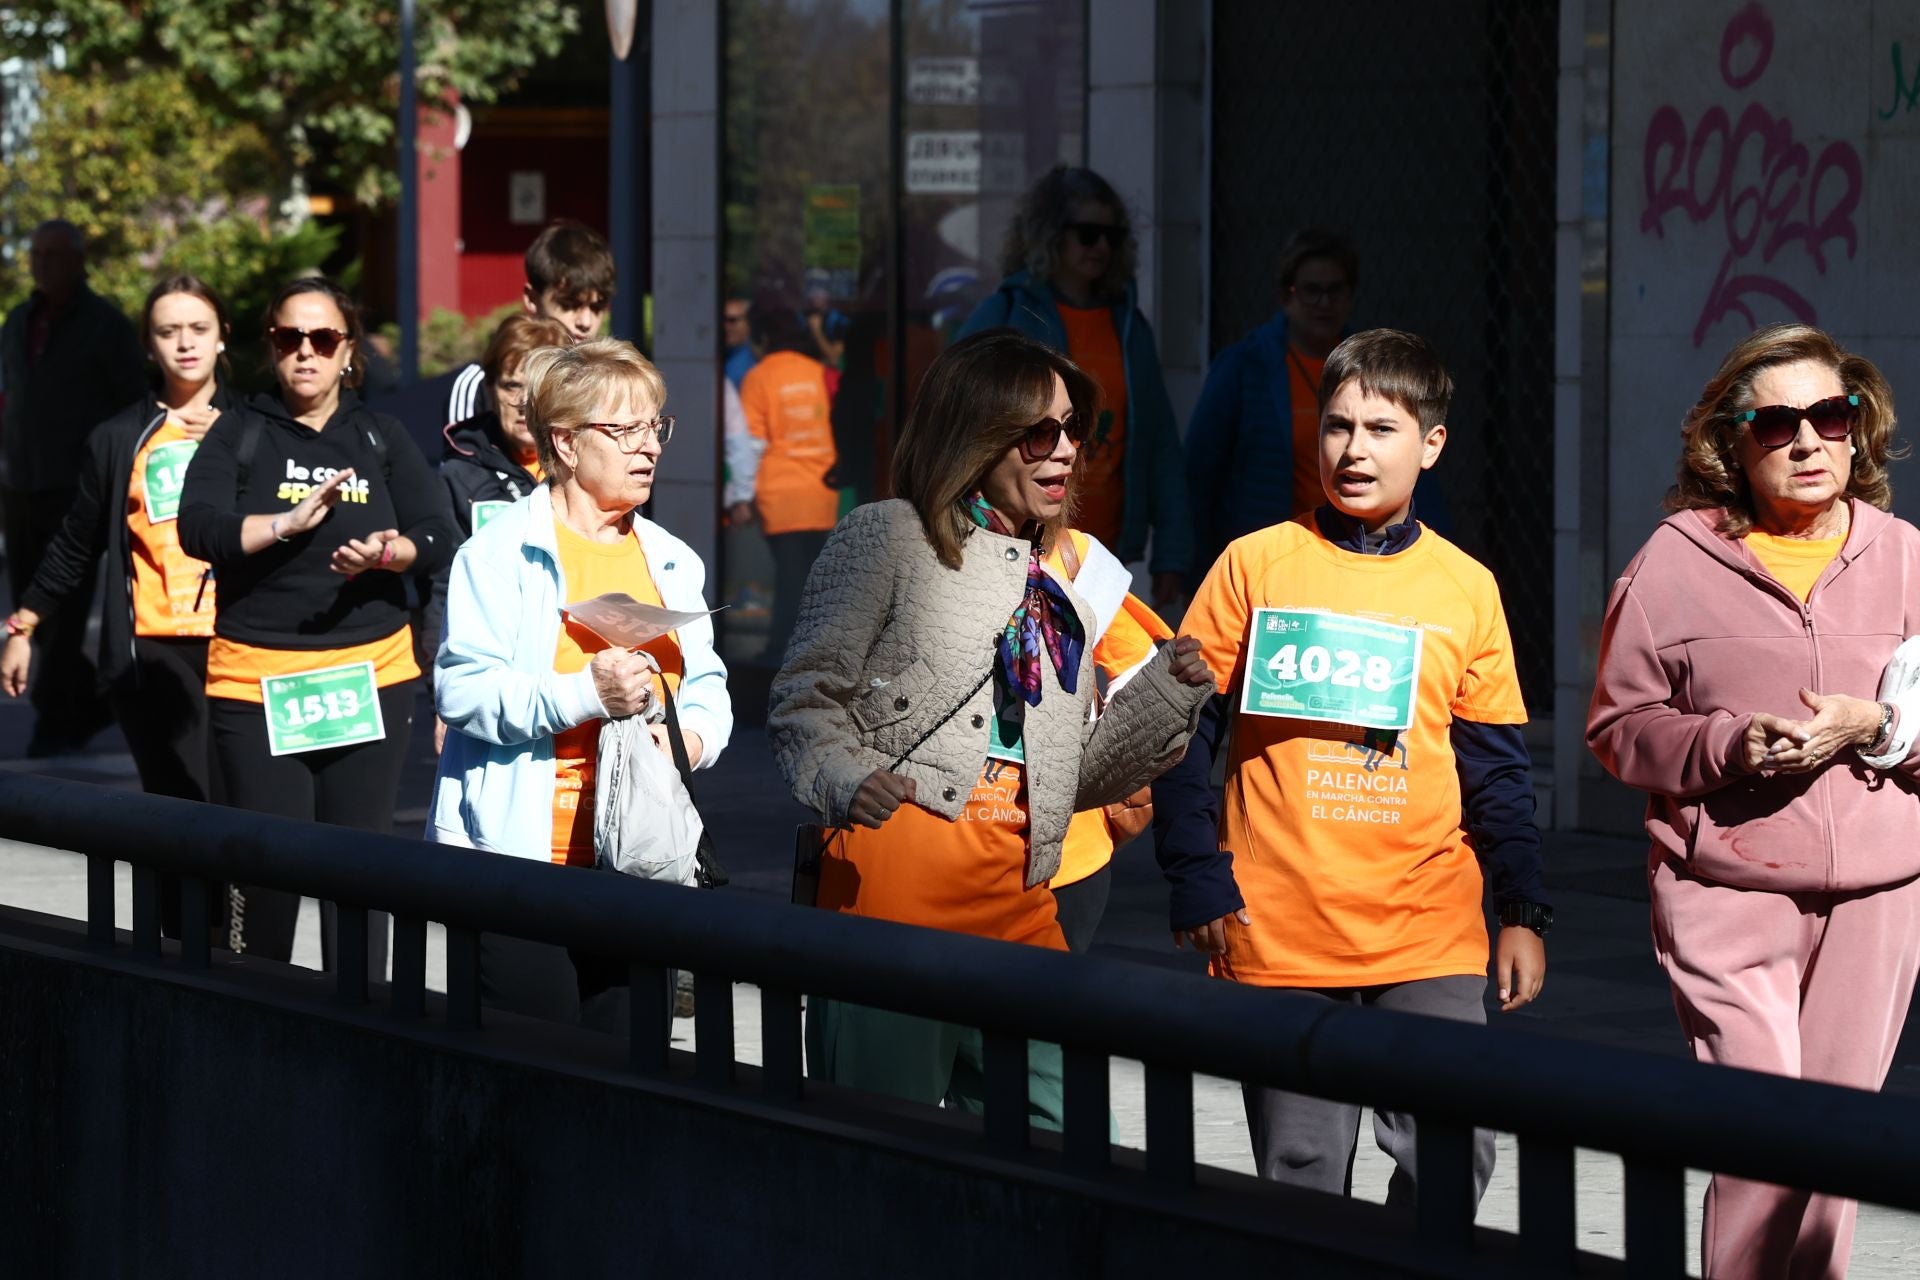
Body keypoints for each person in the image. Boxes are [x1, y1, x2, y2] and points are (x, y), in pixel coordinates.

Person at [769, 327, 1213, 1127]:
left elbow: (1070, 775)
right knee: (881, 1178)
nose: (1067, 450)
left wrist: (1163, 703)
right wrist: (845, 777)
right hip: (888, 916)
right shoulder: (887, 536)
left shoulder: (1062, 581)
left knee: (1067, 1149)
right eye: (1041, 432)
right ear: (975, 434)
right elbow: (803, 698)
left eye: (1076, 429)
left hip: (1018, 911)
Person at [1153, 329, 1548, 1208]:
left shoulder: (1467, 587)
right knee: (1300, 1177)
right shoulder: (1253, 565)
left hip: (1428, 930)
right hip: (1280, 929)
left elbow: (1497, 770)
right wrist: (1194, 874)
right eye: (1336, 427)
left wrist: (1520, 908)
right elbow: (1181, 733)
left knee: (1453, 1154)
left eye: (1381, 428)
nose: (1354, 449)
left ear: (1432, 444)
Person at [1587, 324, 1920, 1280]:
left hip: (1878, 894)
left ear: (1858, 430)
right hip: (1726, 888)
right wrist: (1728, 743)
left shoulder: (1905, 558)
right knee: (1762, 1138)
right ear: (1730, 443)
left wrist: (1879, 725)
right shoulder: (1670, 565)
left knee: (1837, 1148)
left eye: (1829, 415)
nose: (1808, 439)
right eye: (1776, 423)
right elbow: (1620, 727)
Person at [430, 338, 732, 1031]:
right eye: (624, 430)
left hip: (640, 861)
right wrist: (584, 693)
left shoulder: (672, 560)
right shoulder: (500, 552)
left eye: (656, 426)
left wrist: (689, 735)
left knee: (627, 1072)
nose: (648, 446)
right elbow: (462, 690)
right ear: (564, 443)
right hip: (518, 864)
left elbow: (708, 681)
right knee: (528, 1079)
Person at [178, 277, 456, 969]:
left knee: (360, 876)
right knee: (266, 878)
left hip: (369, 676)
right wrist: (284, 524)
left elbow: (440, 534)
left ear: (348, 351)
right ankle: (256, 1035)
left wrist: (390, 553)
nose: (306, 352)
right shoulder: (238, 431)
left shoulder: (380, 434)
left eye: (322, 339)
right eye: (288, 338)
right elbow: (197, 529)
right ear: (271, 347)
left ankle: (361, 1040)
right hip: (256, 684)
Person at [2, 275, 233, 941]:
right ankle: (178, 950)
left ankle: (234, 950)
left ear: (222, 339)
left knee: (235, 806)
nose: (184, 343)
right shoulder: (120, 437)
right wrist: (25, 625)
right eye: (168, 331)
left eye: (197, 328)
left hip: (242, 646)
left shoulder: (254, 428)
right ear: (147, 345)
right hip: (151, 652)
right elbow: (75, 541)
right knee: (177, 801)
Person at [957, 165, 1192, 609]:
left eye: (1113, 236)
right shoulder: (1005, 313)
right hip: (1015, 540)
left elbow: (1161, 441)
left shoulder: (1129, 326)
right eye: (1088, 233)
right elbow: (955, 422)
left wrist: (1173, 553)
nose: (1102, 246)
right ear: (1051, 235)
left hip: (1104, 550)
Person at [0, 219, 146, 755]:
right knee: (30, 606)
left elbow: (132, 401)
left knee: (61, 611)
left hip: (75, 490)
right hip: (20, 485)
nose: (45, 264)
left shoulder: (104, 324)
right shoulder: (18, 320)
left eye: (57, 255)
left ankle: (57, 721)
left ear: (79, 261)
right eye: (37, 254)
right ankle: (88, 702)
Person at [734, 302, 838, 666]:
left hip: (778, 497)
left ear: (763, 339)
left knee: (790, 582)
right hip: (823, 495)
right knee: (815, 582)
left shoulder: (759, 377)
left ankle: (780, 655)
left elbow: (751, 444)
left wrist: (741, 496)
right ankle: (811, 654)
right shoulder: (821, 373)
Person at [445, 220, 616, 425]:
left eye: (597, 307)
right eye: (569, 305)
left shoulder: (612, 382)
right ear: (532, 298)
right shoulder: (479, 383)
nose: (586, 322)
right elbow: (463, 453)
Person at [722, 293, 756, 389]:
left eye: (732, 320)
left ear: (747, 323)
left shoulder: (751, 364)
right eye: (722, 320)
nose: (726, 327)